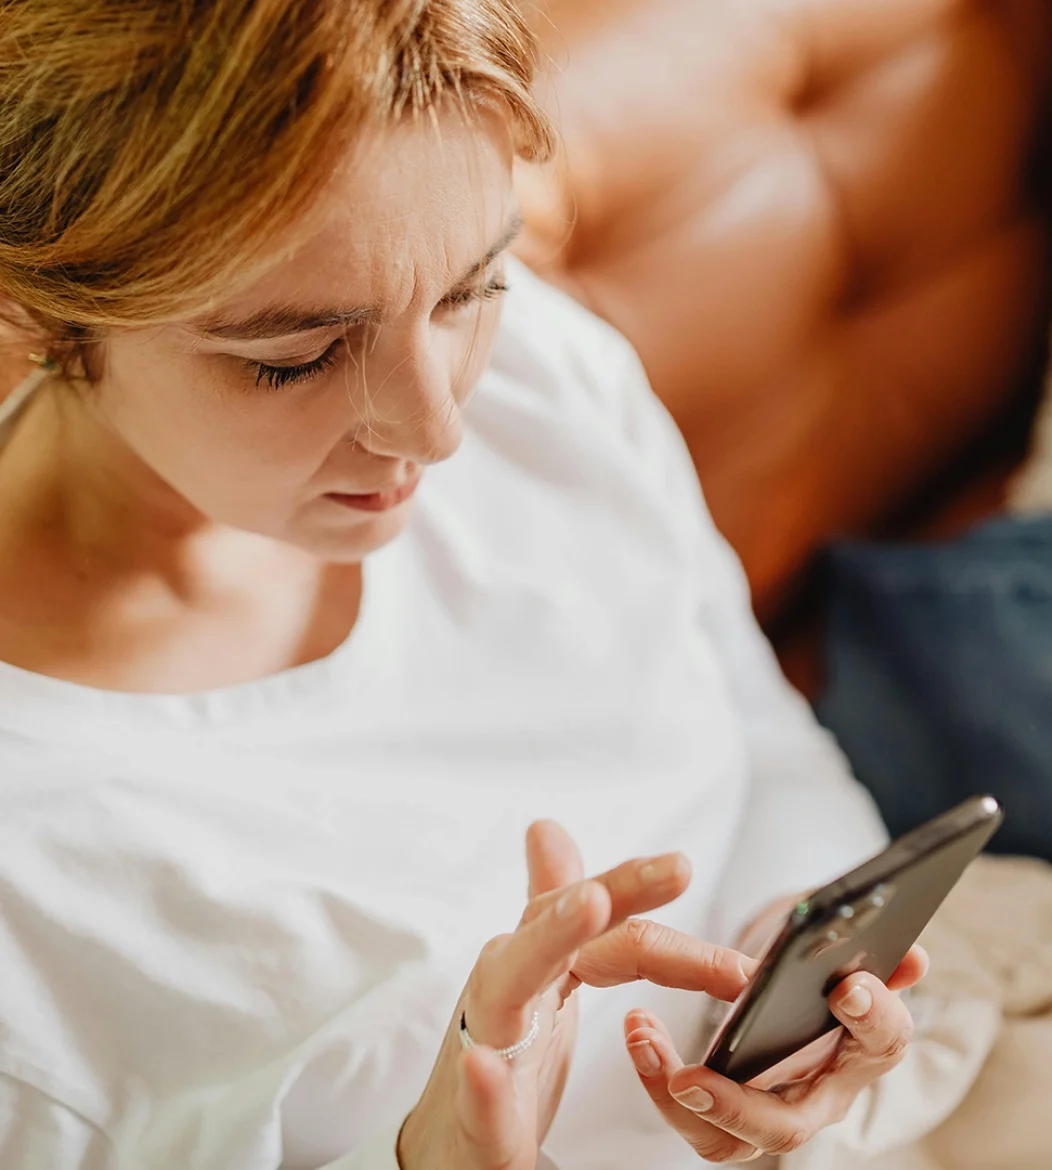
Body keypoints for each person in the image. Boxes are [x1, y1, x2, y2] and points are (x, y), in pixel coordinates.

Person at [0, 3, 926, 1167]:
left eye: (469, 290)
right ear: (35, 308)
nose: (438, 430)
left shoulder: (545, 369)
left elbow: (766, 746)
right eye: (295, 359)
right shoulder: (33, 864)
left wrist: (795, 977)